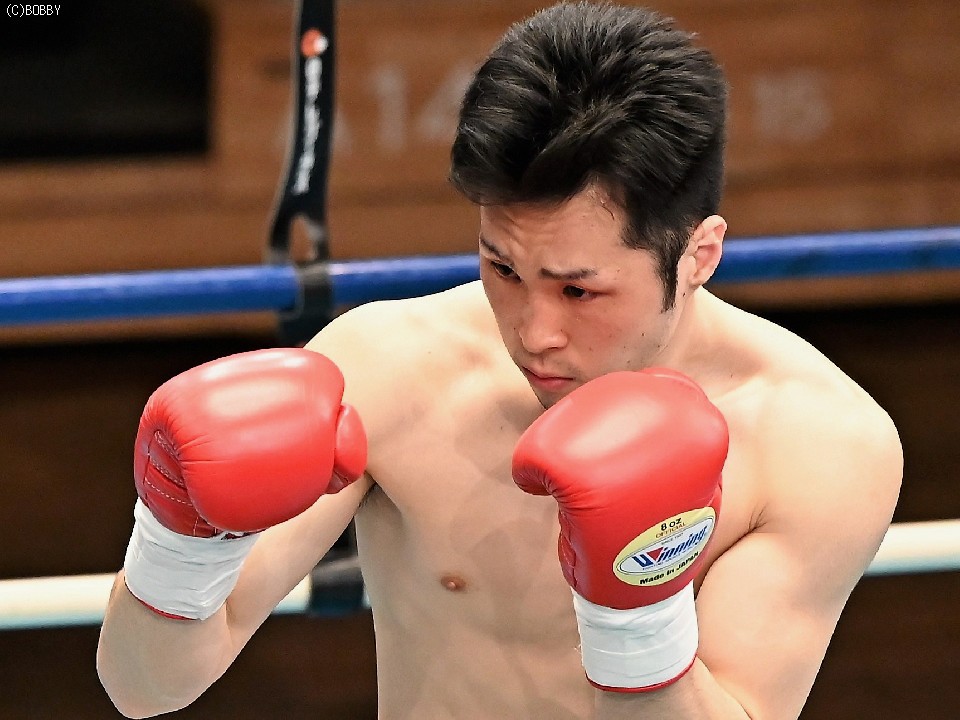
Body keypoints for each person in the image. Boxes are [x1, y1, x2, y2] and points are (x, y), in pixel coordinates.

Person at [97, 3, 903, 718]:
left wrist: (636, 616)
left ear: (698, 255)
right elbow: (144, 689)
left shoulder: (817, 441)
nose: (533, 331)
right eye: (503, 269)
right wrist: (179, 544)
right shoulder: (388, 369)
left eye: (579, 290)